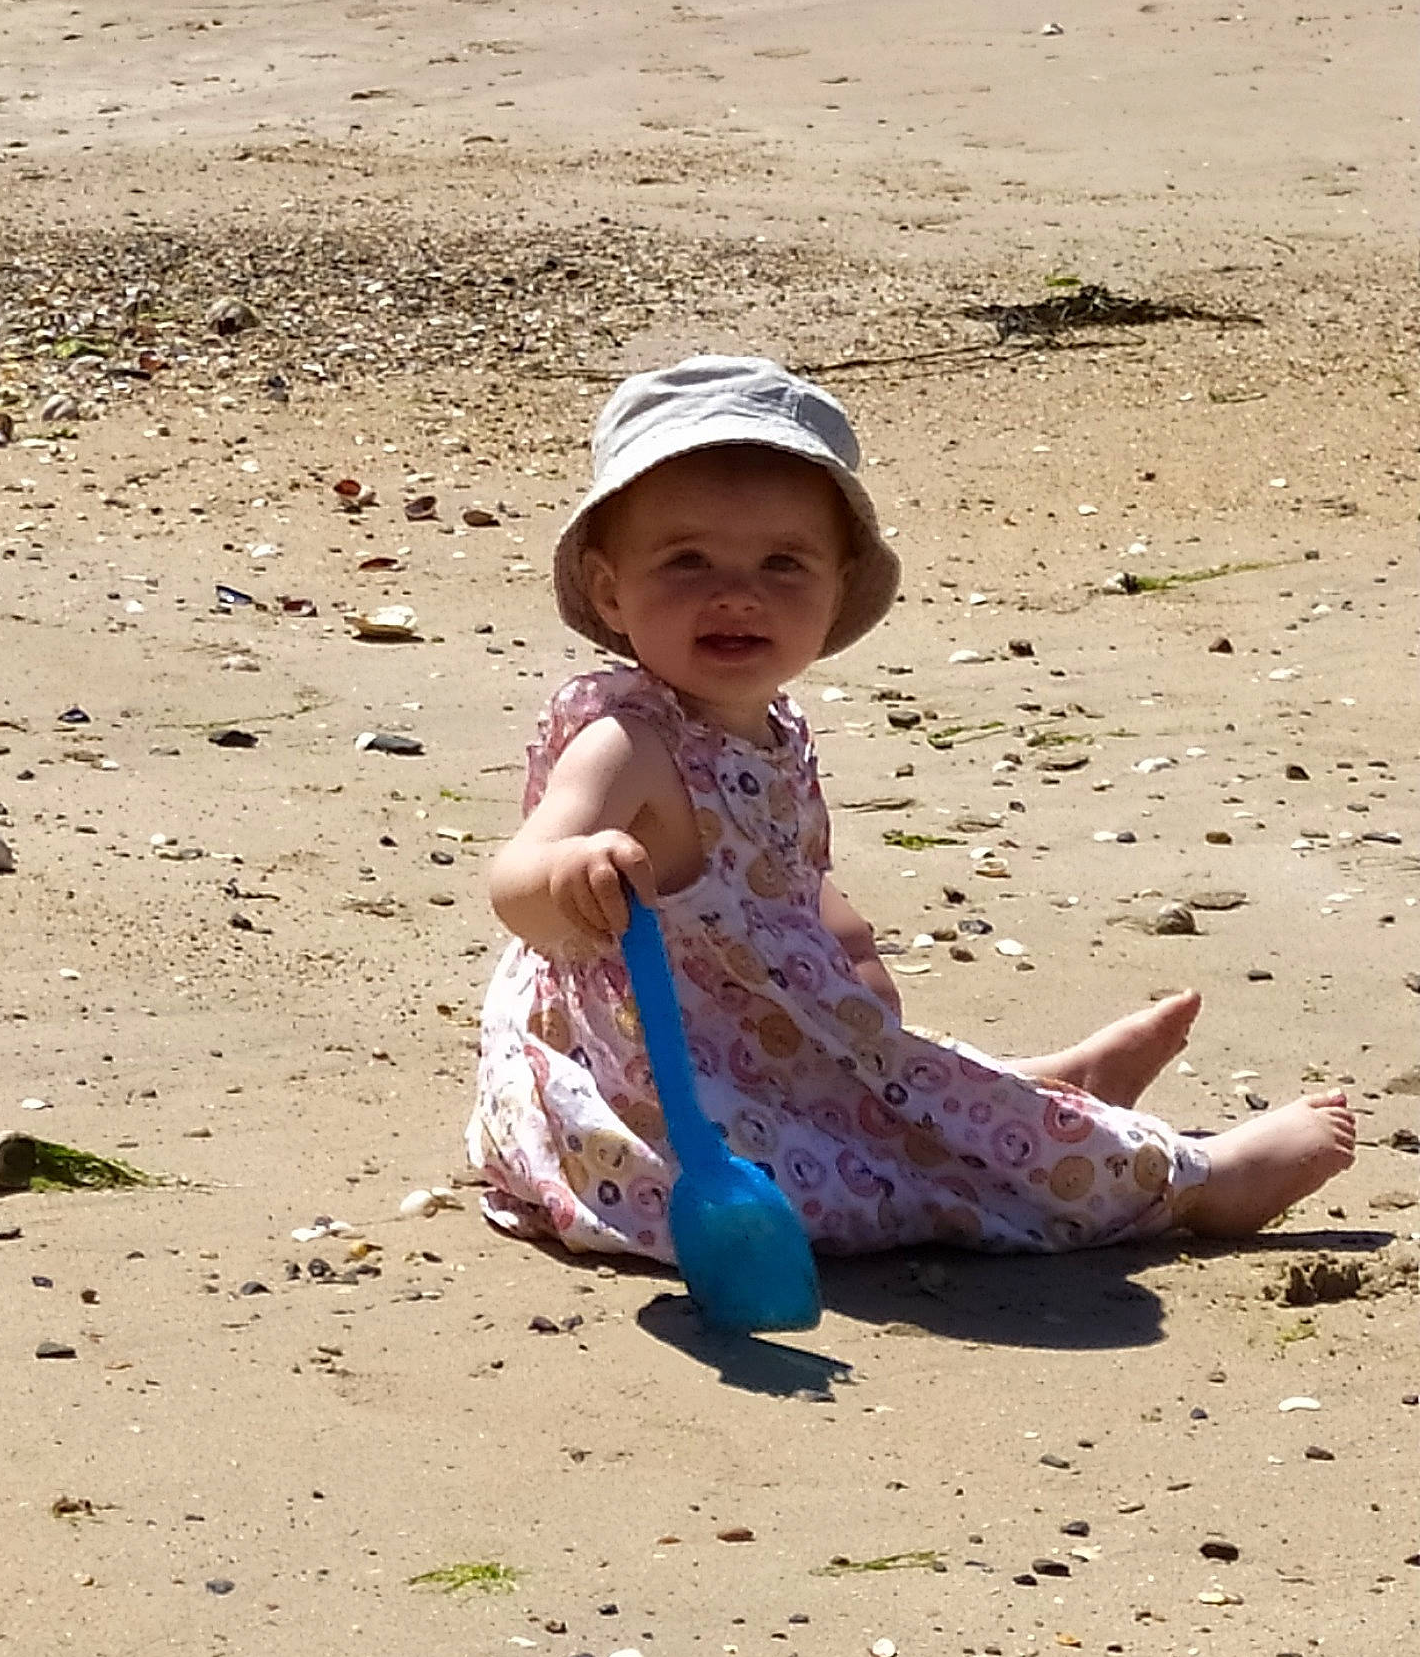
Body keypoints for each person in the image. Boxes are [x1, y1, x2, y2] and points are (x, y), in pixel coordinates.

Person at [465, 355, 1355, 1264]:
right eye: (686, 560)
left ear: (837, 591)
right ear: (611, 590)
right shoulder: (628, 741)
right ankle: (1190, 1181)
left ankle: (1053, 1090)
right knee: (857, 1175)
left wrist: (849, 952)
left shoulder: (775, 733)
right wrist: (569, 876)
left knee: (887, 1087)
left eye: (783, 563)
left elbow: (790, 881)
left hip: (760, 1042)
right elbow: (518, 877)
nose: (736, 592)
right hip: (652, 1095)